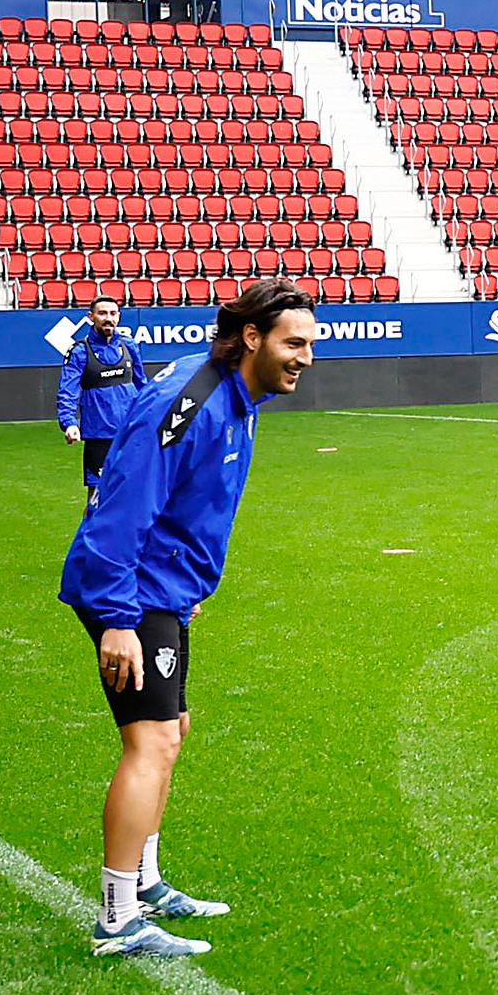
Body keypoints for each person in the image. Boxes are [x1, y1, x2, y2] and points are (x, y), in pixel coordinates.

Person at [60, 278, 319, 959]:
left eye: (311, 343)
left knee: (173, 725)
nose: (306, 356)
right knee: (152, 742)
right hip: (129, 588)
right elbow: (123, 506)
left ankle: (144, 884)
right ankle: (117, 919)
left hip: (162, 587)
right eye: (295, 342)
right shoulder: (189, 402)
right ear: (254, 337)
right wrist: (119, 618)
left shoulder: (240, 393)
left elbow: (198, 502)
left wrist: (191, 581)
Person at [56, 296, 149, 495]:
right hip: (99, 436)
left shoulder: (129, 346)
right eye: (102, 313)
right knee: (97, 499)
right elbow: (68, 391)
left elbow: (143, 387)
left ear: (119, 317)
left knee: (136, 493)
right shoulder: (80, 352)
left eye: (113, 313)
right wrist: (69, 423)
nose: (108, 318)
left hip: (130, 433)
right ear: (91, 317)